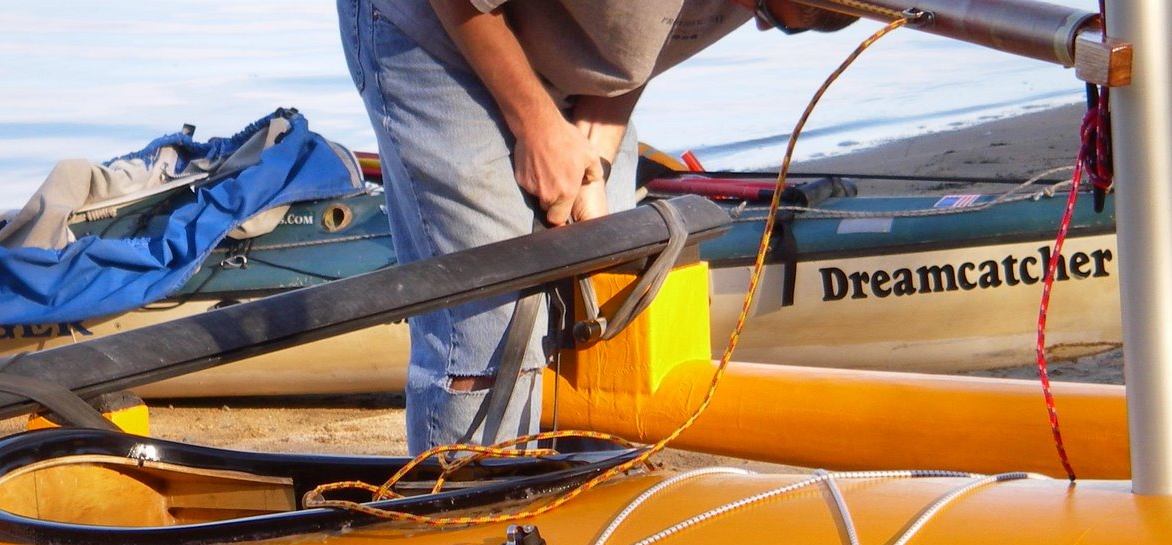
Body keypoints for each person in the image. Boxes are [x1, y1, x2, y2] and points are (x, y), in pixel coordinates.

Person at [337, 0, 855, 454]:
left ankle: (574, 499)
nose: (759, 26)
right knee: (489, 327)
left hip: (568, 54)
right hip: (438, 31)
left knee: (603, 301)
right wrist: (535, 124)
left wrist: (596, 154)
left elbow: (639, 41)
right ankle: (466, 515)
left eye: (783, 25)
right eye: (766, 9)